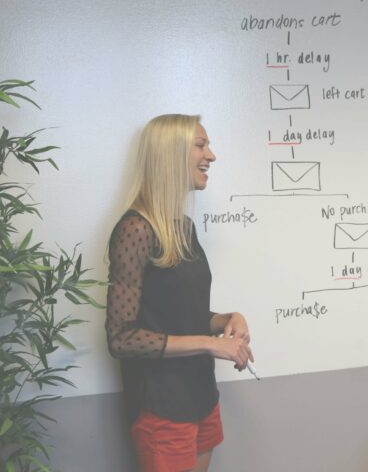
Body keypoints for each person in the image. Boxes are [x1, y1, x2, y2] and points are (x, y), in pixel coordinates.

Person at [105, 114, 253, 472]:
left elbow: (177, 314)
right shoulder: (135, 230)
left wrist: (225, 320)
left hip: (201, 395)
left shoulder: (183, 228)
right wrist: (210, 343)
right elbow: (122, 338)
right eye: (201, 145)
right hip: (162, 407)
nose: (211, 155)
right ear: (171, 154)